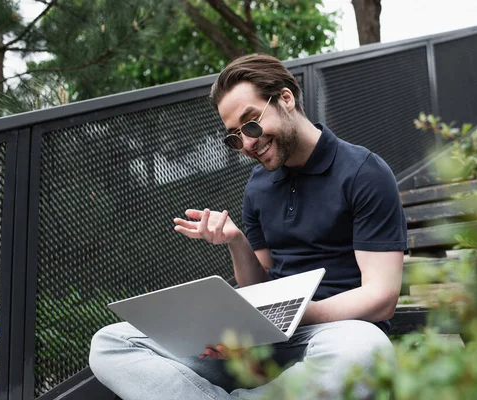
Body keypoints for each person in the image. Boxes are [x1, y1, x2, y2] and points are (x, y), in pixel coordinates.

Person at [89, 54, 407, 400]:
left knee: (367, 350)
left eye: (251, 124)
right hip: (263, 346)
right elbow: (260, 285)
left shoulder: (364, 172)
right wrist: (236, 242)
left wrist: (286, 320)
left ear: (286, 99)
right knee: (112, 343)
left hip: (335, 334)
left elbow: (382, 298)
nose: (248, 144)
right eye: (234, 137)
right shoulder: (258, 186)